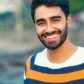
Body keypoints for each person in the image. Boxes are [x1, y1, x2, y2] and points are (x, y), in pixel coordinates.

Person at [24, 0, 84, 84]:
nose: (49, 29)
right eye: (41, 23)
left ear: (68, 21)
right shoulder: (31, 64)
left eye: (55, 20)